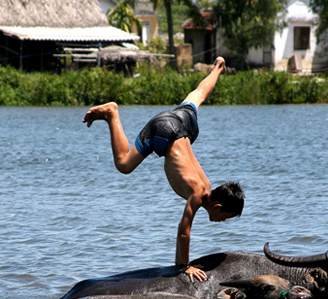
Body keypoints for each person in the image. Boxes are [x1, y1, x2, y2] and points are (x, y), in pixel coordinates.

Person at [82, 56, 244, 282]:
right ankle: (112, 114)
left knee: (197, 96)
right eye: (224, 217)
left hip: (185, 125)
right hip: (164, 132)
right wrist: (185, 267)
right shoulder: (198, 193)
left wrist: (179, 263)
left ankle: (217, 68)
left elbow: (183, 234)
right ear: (217, 206)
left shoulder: (207, 185)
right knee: (124, 164)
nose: (221, 221)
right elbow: (183, 230)